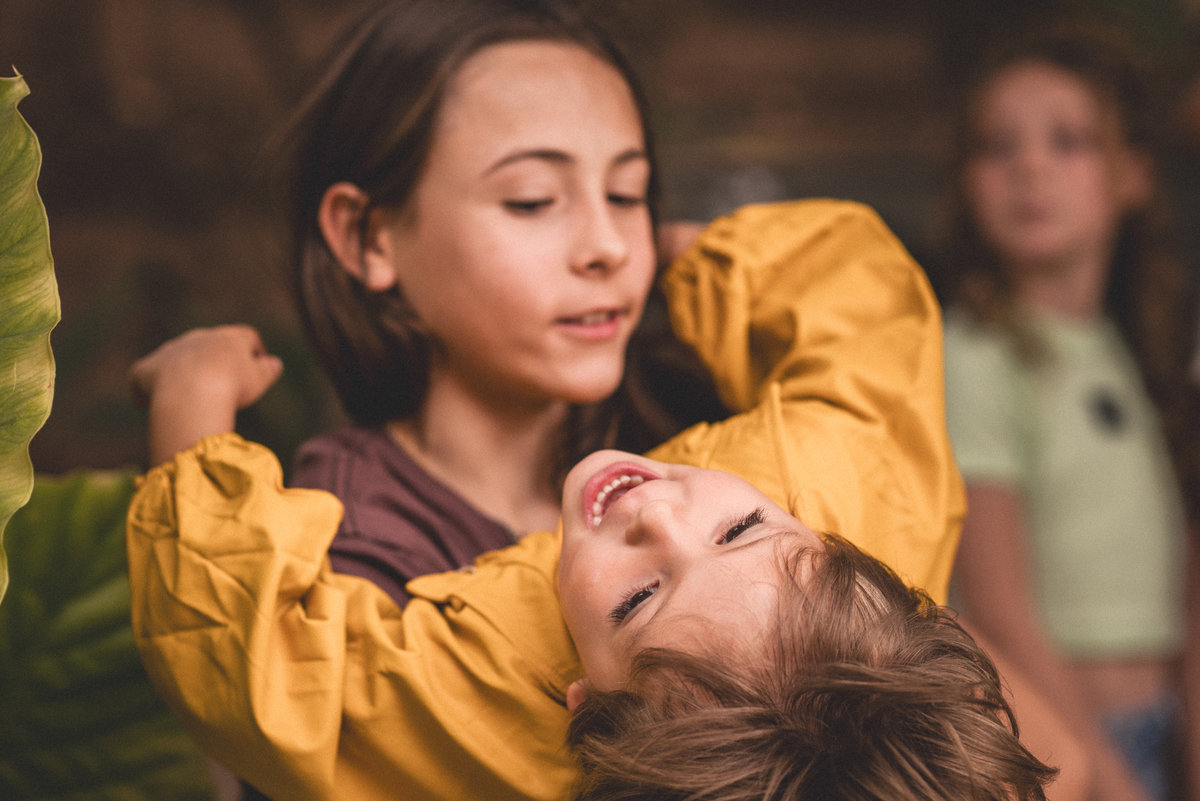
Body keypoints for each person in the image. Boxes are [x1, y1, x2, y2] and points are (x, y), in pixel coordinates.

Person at [128, 201, 1077, 800]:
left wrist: (192, 403)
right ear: (837, 543)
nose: (656, 513)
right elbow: (864, 308)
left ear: (583, 710)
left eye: (636, 599)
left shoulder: (487, 692)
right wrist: (700, 257)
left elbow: (255, 667)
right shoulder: (848, 474)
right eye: (742, 525)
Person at [272, 0, 726, 611]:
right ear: (367, 239)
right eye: (532, 201)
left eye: (626, 193)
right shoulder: (352, 558)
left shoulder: (703, 420)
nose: (609, 247)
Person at [936, 23, 1200, 801]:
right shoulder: (976, 354)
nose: (1029, 167)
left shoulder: (1132, 352)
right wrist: (1106, 772)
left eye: (1069, 140)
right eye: (997, 145)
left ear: (1135, 175)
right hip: (1053, 740)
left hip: (1157, 727)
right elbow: (1000, 613)